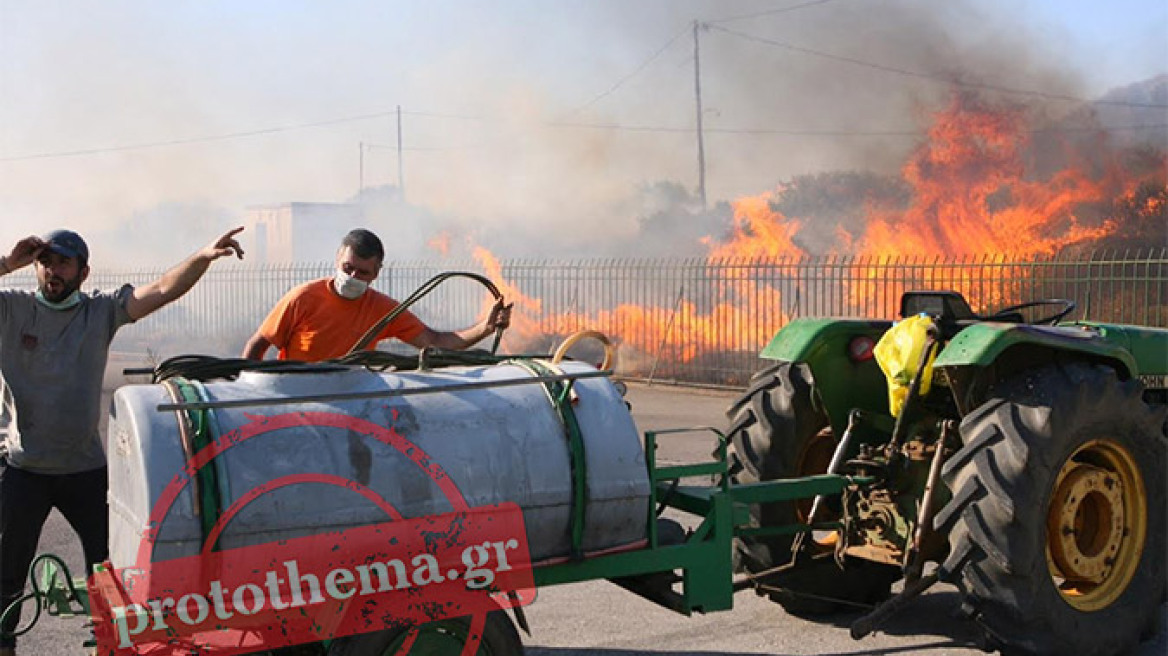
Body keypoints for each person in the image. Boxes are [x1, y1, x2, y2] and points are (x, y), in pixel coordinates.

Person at [0, 227, 244, 656]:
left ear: (83, 271)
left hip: (84, 469)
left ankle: (114, 647)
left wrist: (203, 257)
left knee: (113, 573)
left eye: (63, 263)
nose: (52, 272)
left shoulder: (101, 312)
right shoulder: (12, 309)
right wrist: (6, 264)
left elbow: (164, 289)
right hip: (23, 469)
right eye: (45, 263)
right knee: (6, 575)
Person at [242, 228, 511, 362]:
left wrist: (484, 329)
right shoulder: (302, 298)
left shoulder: (383, 310)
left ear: (376, 273)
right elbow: (259, 344)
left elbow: (434, 341)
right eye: (348, 268)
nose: (353, 277)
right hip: (299, 399)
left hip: (353, 397)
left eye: (363, 272)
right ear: (337, 260)